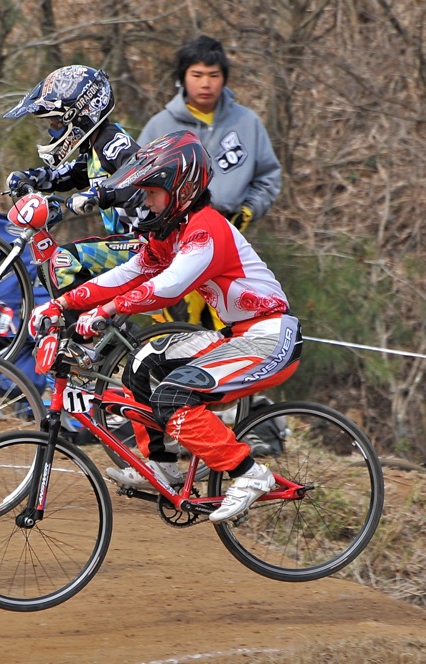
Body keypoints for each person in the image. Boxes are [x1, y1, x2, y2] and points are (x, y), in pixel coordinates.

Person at [29, 131, 302, 522]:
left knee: (174, 396)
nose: (146, 200)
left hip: (270, 338)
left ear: (181, 188)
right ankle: (163, 468)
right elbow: (131, 272)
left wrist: (106, 312)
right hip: (239, 334)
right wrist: (63, 302)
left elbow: (169, 287)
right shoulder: (172, 232)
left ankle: (250, 473)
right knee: (142, 363)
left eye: (153, 191)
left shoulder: (207, 229)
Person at [139, 36, 282, 328]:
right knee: (173, 323)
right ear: (183, 78)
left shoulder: (247, 122)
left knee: (228, 321)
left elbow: (268, 175)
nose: (206, 84)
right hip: (174, 237)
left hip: (228, 234)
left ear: (224, 79)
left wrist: (249, 210)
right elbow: (138, 181)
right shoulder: (160, 126)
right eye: (197, 75)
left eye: (214, 76)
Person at [2, 65, 148, 301]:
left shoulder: (113, 142)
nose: (53, 130)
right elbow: (69, 174)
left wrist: (96, 195)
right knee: (58, 263)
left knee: (64, 260)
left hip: (146, 245)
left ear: (79, 115)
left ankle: (92, 330)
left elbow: (141, 175)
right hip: (131, 245)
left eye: (57, 123)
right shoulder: (94, 148)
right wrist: (31, 177)